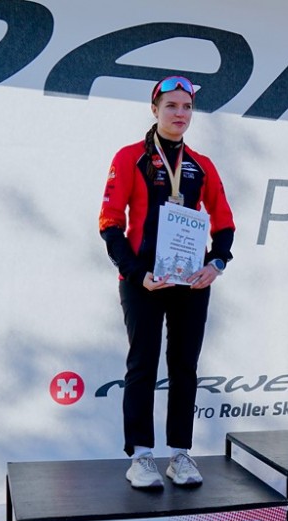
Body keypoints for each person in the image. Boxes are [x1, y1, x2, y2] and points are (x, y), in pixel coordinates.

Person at [98, 76, 235, 488]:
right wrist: (136, 273)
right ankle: (141, 456)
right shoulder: (129, 158)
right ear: (154, 109)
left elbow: (224, 222)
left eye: (187, 107)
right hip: (143, 280)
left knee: (184, 367)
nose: (180, 114)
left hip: (190, 281)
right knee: (142, 365)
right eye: (171, 106)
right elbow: (109, 223)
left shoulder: (201, 164)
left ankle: (180, 454)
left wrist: (216, 263)